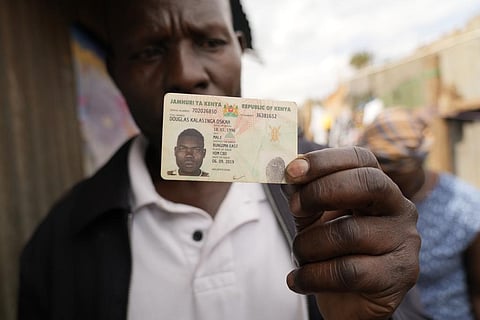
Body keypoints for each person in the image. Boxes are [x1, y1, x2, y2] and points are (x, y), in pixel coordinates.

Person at [18, 0, 423, 319]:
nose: (185, 73)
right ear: (115, 71)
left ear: (238, 50)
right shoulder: (58, 241)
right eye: (148, 51)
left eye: (210, 42)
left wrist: (380, 314)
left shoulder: (333, 197)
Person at [357, 107, 480, 320]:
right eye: (380, 173)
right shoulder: (363, 207)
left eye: (396, 175)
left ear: (418, 163)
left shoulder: (465, 209)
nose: (387, 183)